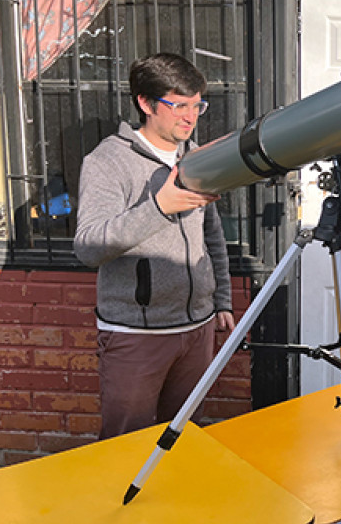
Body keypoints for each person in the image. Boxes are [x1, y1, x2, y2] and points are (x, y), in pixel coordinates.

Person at [74, 53, 235, 440]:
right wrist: (159, 207)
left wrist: (222, 299)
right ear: (145, 103)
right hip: (135, 334)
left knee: (181, 436)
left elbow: (210, 234)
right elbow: (89, 245)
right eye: (178, 105)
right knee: (126, 441)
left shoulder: (193, 157)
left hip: (198, 328)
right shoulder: (107, 162)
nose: (190, 116)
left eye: (197, 104)